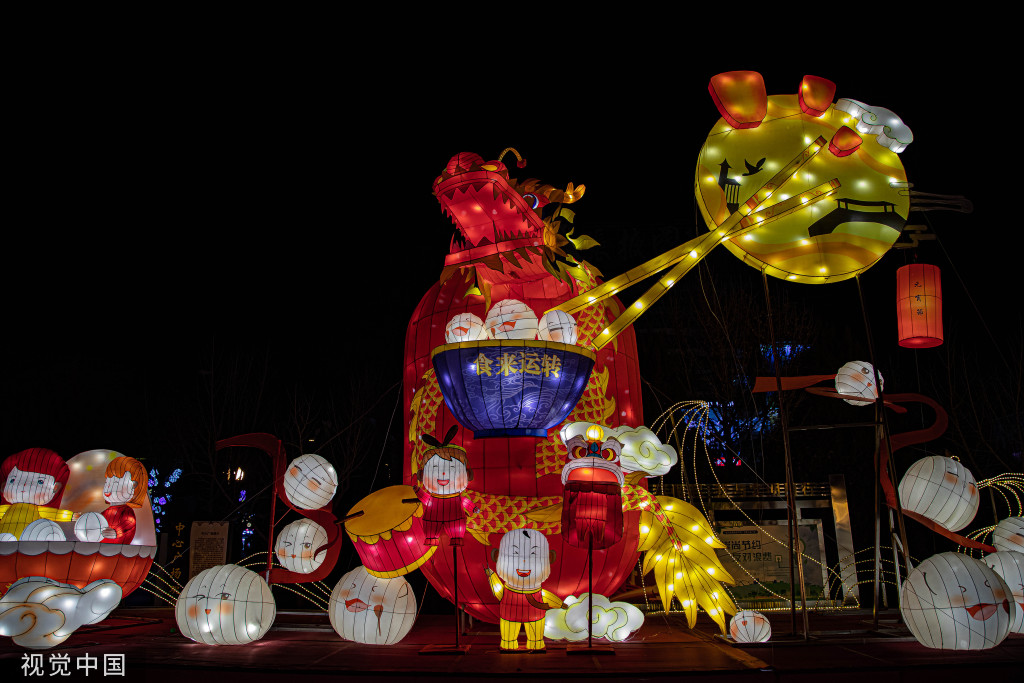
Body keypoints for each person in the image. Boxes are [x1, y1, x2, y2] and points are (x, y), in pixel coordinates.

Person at [485, 528, 563, 651]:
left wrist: (560, 604)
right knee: (509, 635)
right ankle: (508, 642)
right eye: (515, 554)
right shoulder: (508, 589)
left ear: (550, 558)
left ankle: (535, 642)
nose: (524, 561)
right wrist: (492, 576)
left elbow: (546, 596)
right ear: (497, 556)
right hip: (511, 613)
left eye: (533, 554)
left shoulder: (537, 590)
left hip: (532, 614)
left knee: (536, 636)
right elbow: (498, 591)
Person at [0, 448, 73, 540]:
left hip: (29, 540)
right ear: (3, 486)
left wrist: (71, 516)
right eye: (13, 480)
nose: (24, 485)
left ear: (55, 488)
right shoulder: (6, 509)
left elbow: (54, 514)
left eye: (40, 482)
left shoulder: (39, 510)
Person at [99, 456, 148, 543]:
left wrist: (116, 532)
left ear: (133, 485)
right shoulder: (106, 512)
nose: (108, 487)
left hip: (119, 548)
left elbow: (129, 523)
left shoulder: (127, 511)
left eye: (116, 483)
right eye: (107, 482)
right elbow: (97, 520)